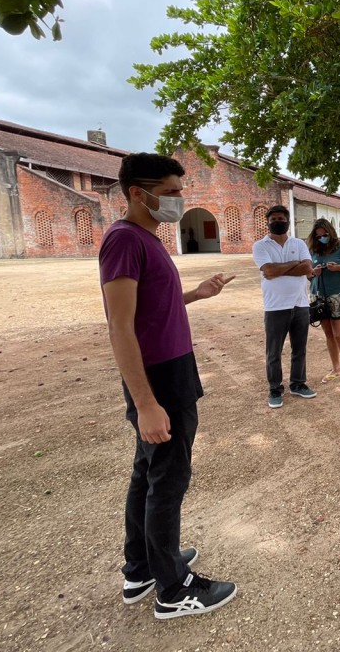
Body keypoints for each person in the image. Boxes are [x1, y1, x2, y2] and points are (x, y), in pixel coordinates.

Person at [98, 152, 237, 620]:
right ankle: (172, 589)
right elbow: (120, 326)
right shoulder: (123, 240)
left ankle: (141, 568)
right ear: (138, 193)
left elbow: (149, 307)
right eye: (171, 192)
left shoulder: (147, 238)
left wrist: (196, 294)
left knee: (149, 471)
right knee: (168, 479)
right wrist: (145, 403)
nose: (180, 200)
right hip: (157, 376)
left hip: (173, 366)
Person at [252, 205, 317, 409]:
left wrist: (281, 269)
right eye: (273, 219)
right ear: (268, 222)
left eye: (281, 218)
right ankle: (275, 388)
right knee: (274, 352)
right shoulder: (260, 246)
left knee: (299, 349)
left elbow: (307, 268)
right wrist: (293, 264)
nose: (277, 222)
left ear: (288, 221)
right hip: (275, 306)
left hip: (300, 304)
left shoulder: (298, 242)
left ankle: (298, 384)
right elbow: (268, 271)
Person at [306, 218, 340, 392]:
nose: (322, 238)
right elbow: (307, 275)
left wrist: (338, 268)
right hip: (318, 295)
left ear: (331, 232)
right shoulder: (313, 250)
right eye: (319, 235)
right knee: (329, 334)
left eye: (325, 234)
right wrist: (314, 273)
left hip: (338, 293)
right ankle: (336, 369)